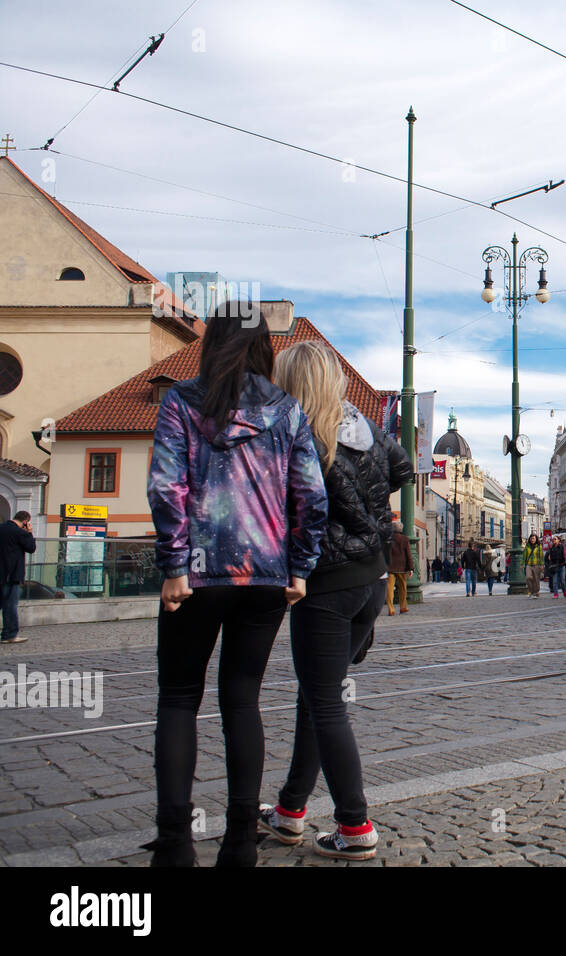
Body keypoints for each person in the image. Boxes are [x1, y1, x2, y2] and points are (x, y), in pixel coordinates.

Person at [144, 302, 329, 867]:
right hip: (264, 578)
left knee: (178, 700)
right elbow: (311, 497)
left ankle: (175, 845)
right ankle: (240, 844)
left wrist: (175, 567)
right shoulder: (288, 410)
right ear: (263, 349)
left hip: (195, 577)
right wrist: (300, 567)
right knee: (242, 702)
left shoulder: (181, 401)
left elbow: (165, 487)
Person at [258, 340, 412, 862]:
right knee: (315, 698)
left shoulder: (297, 433)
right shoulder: (363, 429)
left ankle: (355, 825)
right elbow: (404, 468)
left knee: (324, 704)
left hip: (326, 584)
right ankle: (290, 812)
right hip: (370, 580)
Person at [0, 510, 36, 644]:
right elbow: (31, 548)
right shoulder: (20, 533)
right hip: (12, 574)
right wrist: (30, 533)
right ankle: (9, 635)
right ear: (26, 521)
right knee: (10, 605)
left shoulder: (1, 528)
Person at [386, 517, 412, 614]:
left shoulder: (388, 539)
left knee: (389, 588)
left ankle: (391, 609)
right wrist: (411, 568)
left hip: (390, 567)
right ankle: (403, 607)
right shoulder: (405, 539)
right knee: (403, 588)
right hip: (402, 567)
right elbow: (408, 554)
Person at [523, 533, 544, 597]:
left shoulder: (539, 546)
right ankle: (531, 591)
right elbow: (524, 556)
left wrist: (542, 564)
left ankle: (536, 592)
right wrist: (522, 563)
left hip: (537, 564)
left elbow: (541, 556)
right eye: (531, 538)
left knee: (536, 579)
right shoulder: (527, 546)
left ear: (536, 539)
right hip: (529, 564)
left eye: (534, 538)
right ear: (529, 539)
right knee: (528, 577)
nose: (532, 540)